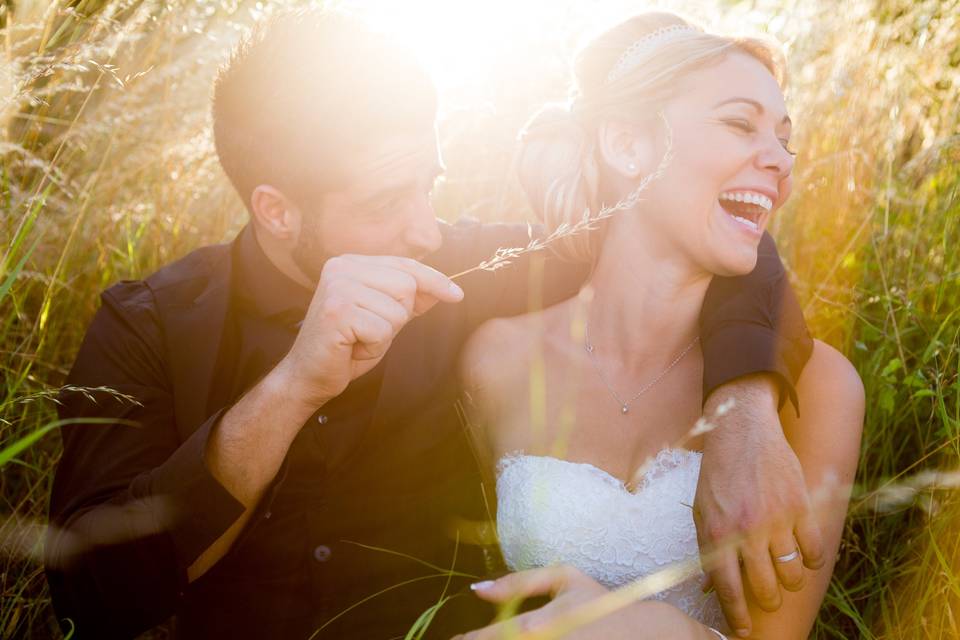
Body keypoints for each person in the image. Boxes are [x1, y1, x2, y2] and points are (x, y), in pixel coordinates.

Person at [44, 9, 815, 639]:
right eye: (386, 202)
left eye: (430, 185)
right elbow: (95, 596)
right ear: (277, 212)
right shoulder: (148, 324)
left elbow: (688, 231)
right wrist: (291, 386)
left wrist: (745, 408)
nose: (424, 230)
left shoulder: (467, 272)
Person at [458, 12, 864, 639]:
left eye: (785, 140)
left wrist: (642, 628)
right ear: (626, 145)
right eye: (738, 124)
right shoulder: (498, 359)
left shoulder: (820, 391)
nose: (781, 162)